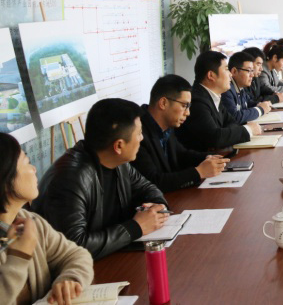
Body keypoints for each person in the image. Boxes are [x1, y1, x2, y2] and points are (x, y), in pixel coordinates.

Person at [33, 99, 169, 260]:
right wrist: (135, 227)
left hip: (110, 258)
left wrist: (157, 207)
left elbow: (147, 188)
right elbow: (74, 246)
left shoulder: (118, 163)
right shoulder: (71, 179)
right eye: (139, 133)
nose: (142, 138)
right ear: (119, 146)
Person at [0, 133, 93, 305]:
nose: (34, 169)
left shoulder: (29, 221)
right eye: (27, 162)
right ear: (5, 178)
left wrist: (70, 279)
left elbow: (76, 254)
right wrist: (19, 256)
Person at [132, 75, 229, 192]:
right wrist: (199, 172)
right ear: (163, 103)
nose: (188, 113)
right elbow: (153, 181)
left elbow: (181, 155)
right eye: (184, 106)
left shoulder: (167, 125)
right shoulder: (137, 133)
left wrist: (209, 158)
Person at [177, 50, 261, 151]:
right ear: (211, 75)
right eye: (226, 69)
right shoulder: (196, 101)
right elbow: (215, 138)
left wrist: (226, 133)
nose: (230, 74)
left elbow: (232, 122)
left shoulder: (214, 95)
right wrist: (248, 129)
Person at [221, 51, 270, 125]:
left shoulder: (241, 87)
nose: (252, 75)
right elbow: (234, 117)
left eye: (252, 71)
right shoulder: (227, 90)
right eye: (249, 71)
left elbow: (248, 103)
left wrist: (261, 104)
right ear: (234, 71)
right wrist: (260, 110)